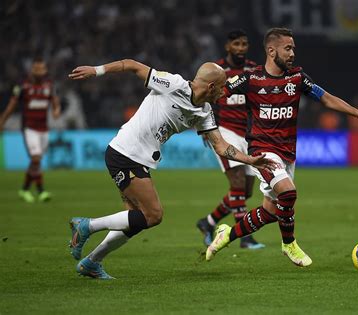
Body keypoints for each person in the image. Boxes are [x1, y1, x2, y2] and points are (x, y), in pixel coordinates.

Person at [67, 59, 276, 279]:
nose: (224, 92)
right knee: (154, 214)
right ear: (211, 87)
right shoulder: (173, 84)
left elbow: (221, 145)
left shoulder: (204, 112)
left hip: (139, 159)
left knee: (133, 220)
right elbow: (131, 65)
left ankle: (92, 262)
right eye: (223, 87)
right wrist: (96, 71)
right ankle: (87, 226)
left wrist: (250, 160)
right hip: (125, 153)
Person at [205, 27, 358, 267]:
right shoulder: (251, 79)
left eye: (293, 49)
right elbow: (216, 94)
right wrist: (202, 116)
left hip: (287, 153)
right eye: (287, 48)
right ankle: (289, 244)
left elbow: (327, 98)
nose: (292, 54)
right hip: (261, 150)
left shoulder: (297, 78)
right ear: (271, 50)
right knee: (288, 193)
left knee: (271, 212)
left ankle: (226, 234)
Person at [196, 29, 264, 249]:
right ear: (228, 47)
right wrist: (206, 129)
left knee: (246, 191)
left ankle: (208, 222)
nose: (241, 48)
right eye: (237, 44)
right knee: (237, 184)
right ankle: (244, 237)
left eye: (244, 44)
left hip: (246, 133)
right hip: (224, 132)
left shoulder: (253, 70)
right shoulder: (216, 71)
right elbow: (201, 98)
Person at [0, 58, 61, 203]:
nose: (40, 74)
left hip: (44, 129)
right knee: (36, 158)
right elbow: (12, 105)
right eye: (37, 70)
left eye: (42, 70)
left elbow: (55, 100)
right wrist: (2, 120)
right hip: (29, 128)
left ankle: (25, 189)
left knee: (36, 161)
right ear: (32, 71)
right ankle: (41, 190)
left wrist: (56, 110)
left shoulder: (49, 85)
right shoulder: (23, 86)